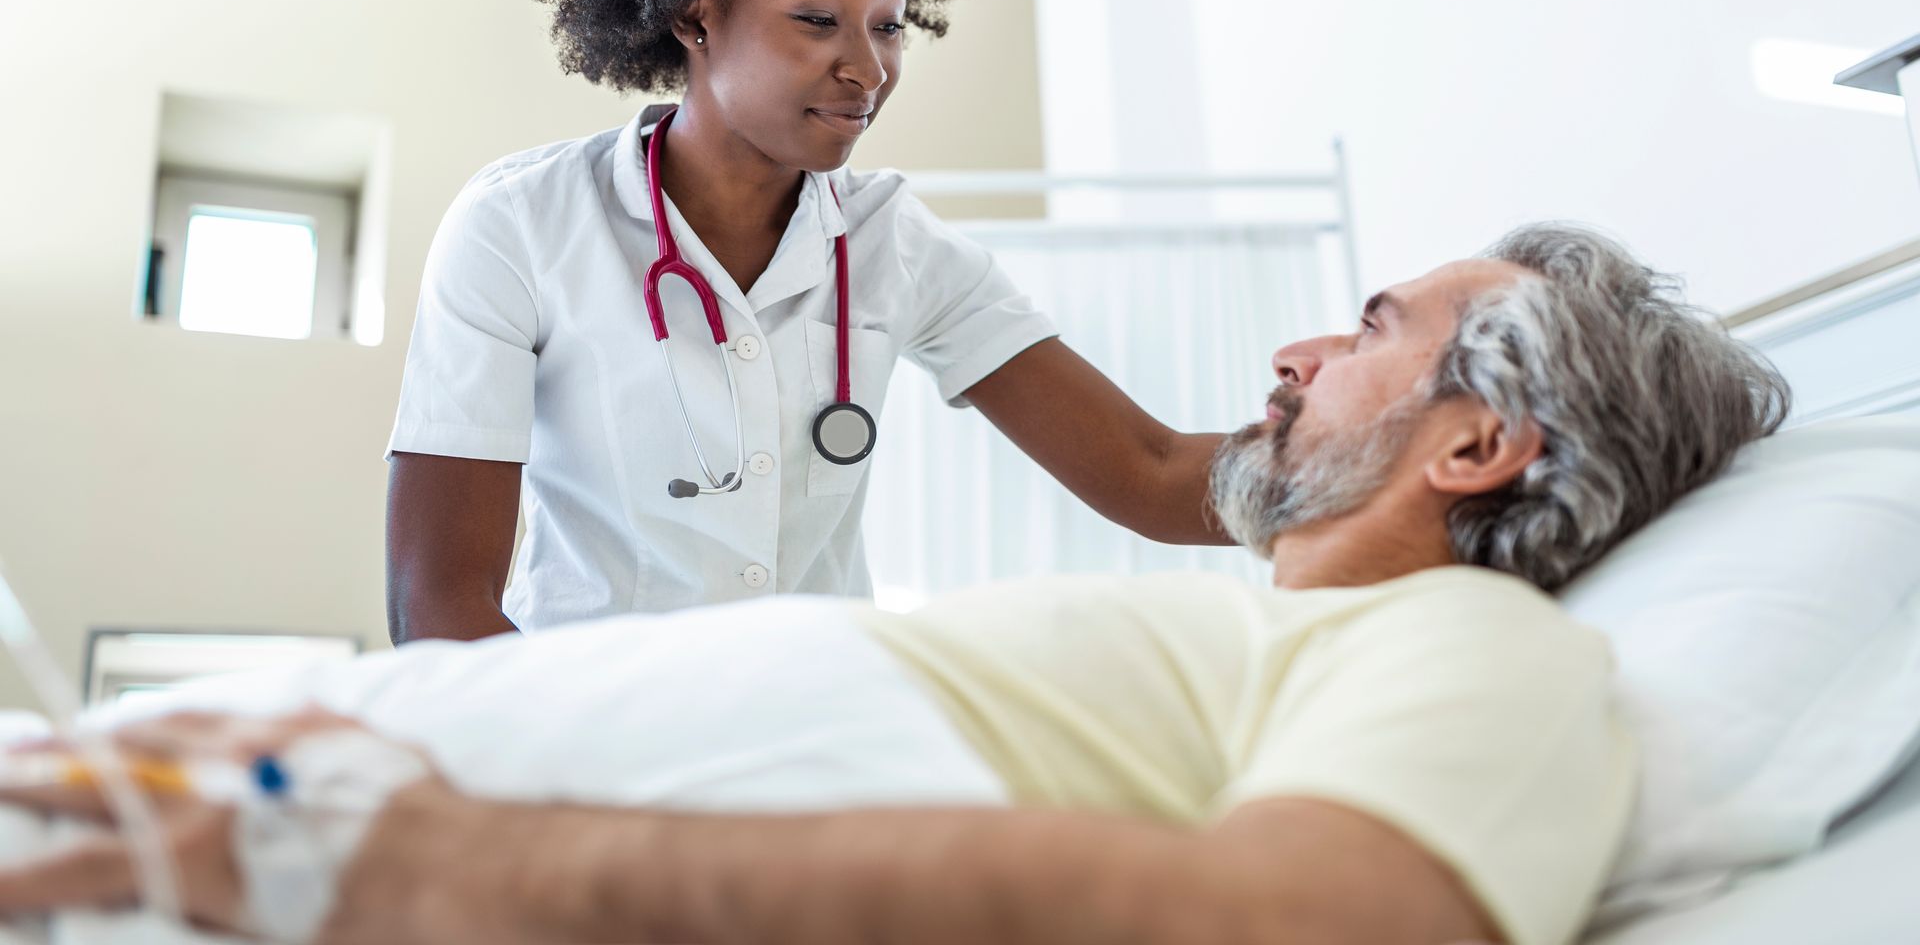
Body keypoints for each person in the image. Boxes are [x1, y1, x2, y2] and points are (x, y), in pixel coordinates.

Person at [0, 224, 1791, 945]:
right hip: (275, 787)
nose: (1308, 344)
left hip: (362, 852)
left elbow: (1309, 924)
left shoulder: (1480, 651)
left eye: (1379, 327)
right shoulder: (1255, 631)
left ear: (1478, 449)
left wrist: (456, 862)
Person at [384, 0, 1230, 644]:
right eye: (819, 20)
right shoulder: (522, 226)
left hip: (817, 735)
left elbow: (1151, 470)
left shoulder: (892, 242)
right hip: (594, 738)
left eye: (889, 24)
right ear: (693, 15)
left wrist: (1388, 453)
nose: (868, 69)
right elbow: (441, 609)